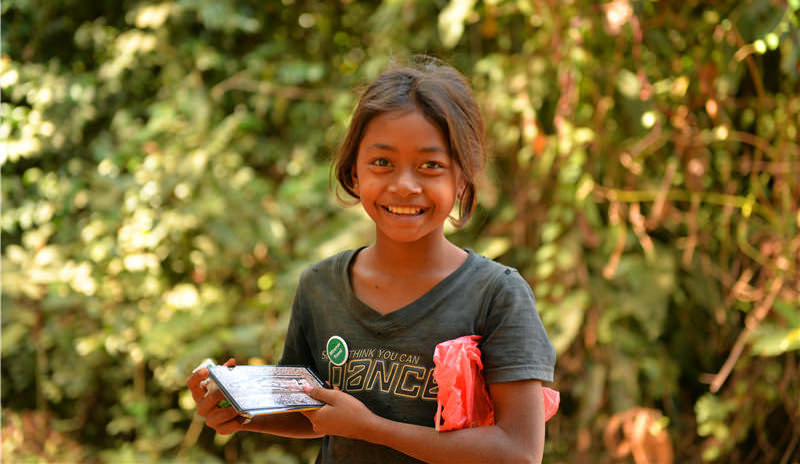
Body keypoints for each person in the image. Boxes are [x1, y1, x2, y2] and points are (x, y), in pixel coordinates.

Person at [186, 56, 556, 464]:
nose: (404, 185)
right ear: (354, 173)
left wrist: (373, 428)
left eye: (430, 165)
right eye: (382, 163)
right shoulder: (321, 287)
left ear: (462, 178)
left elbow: (520, 452)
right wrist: (238, 412)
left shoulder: (496, 294)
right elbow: (312, 411)